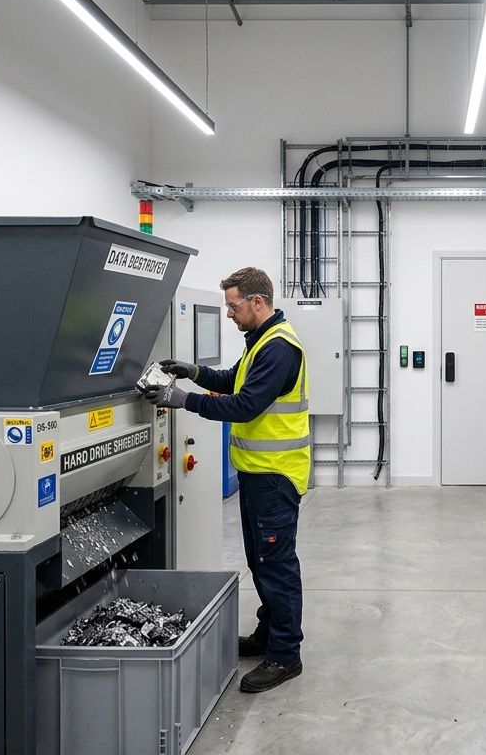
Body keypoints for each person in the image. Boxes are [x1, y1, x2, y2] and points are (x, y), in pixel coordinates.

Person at [143, 266, 309, 694]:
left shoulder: (279, 348)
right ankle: (268, 635)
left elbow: (246, 405)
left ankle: (285, 655)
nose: (230, 315)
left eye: (233, 306)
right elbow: (233, 380)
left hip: (276, 477)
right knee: (260, 562)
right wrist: (193, 371)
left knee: (277, 565)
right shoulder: (260, 343)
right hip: (258, 475)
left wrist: (183, 400)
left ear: (257, 302)